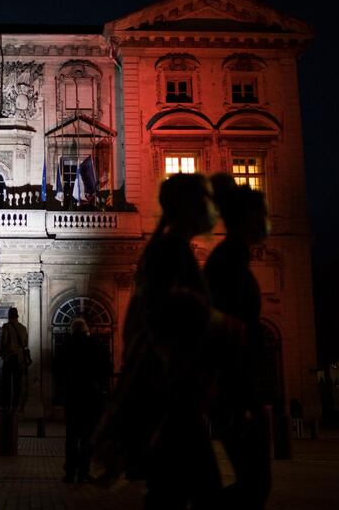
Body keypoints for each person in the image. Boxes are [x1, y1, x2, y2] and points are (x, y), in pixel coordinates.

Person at [94, 173, 222, 509]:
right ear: (186, 208)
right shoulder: (169, 252)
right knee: (193, 490)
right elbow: (153, 323)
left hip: (174, 394)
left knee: (173, 491)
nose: (211, 209)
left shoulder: (169, 249)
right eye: (203, 201)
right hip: (172, 394)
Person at [204, 177, 271, 509]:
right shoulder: (228, 260)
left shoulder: (232, 257)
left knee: (254, 484)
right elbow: (219, 329)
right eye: (261, 215)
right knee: (255, 485)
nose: (266, 223)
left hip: (236, 387)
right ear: (246, 219)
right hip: (234, 388)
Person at [55, 317, 111, 484]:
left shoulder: (65, 346)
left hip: (72, 395)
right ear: (87, 330)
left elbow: (56, 369)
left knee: (71, 436)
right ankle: (84, 471)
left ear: (72, 330)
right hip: (91, 396)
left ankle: (70, 472)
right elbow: (106, 368)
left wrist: (65, 384)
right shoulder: (95, 344)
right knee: (87, 436)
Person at [0, 307, 28, 411]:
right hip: (19, 359)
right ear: (17, 316)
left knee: (6, 383)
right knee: (17, 383)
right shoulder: (23, 328)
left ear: (9, 316)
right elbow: (25, 343)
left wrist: (1, 352)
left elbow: (3, 341)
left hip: (9, 357)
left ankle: (6, 405)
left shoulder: (6, 326)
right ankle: (15, 405)